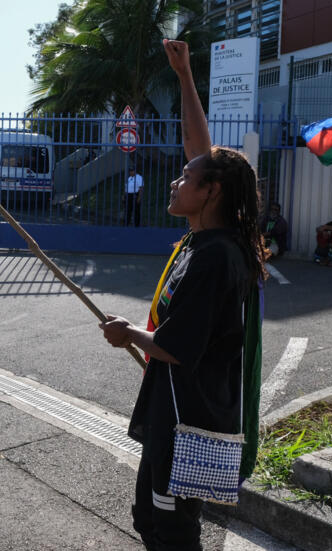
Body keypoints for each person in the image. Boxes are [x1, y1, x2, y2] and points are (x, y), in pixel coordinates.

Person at [99, 39, 264, 551]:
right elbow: (202, 153)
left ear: (211, 191)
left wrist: (128, 334)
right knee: (149, 519)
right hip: (172, 411)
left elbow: (179, 345)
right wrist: (185, 77)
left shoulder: (217, 255)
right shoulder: (207, 239)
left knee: (171, 530)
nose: (175, 181)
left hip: (187, 417)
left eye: (185, 177)